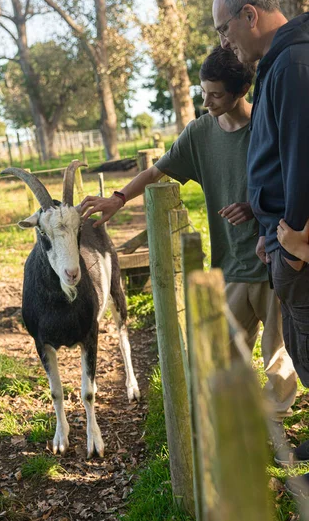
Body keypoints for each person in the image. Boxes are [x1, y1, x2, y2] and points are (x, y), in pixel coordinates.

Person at [81, 46, 298, 454]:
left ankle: (273, 433)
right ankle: (239, 426)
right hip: (230, 266)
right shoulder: (200, 133)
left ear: (241, 90)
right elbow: (156, 170)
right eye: (204, 92)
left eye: (215, 94)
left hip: (272, 262)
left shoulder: (267, 128)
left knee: (278, 356)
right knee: (222, 353)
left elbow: (293, 184)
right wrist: (118, 198)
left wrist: (255, 207)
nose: (206, 101)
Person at [213, 0, 309, 489]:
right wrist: (267, 224)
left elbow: (305, 163)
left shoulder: (294, 65)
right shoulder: (281, 64)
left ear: (250, 16)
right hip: (281, 244)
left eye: (224, 29)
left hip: (299, 254)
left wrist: (294, 242)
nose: (224, 42)